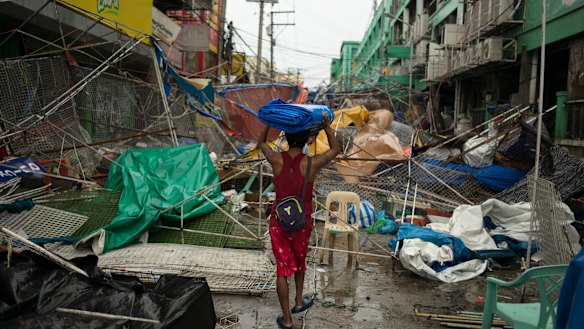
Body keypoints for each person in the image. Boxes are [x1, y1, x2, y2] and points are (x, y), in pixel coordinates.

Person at [257, 113, 340, 329]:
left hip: (279, 223)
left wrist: (269, 122)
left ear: (286, 138)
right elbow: (335, 149)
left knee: (282, 270)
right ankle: (298, 301)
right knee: (300, 262)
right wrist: (325, 126)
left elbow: (261, 143)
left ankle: (287, 319)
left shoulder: (276, 159)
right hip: (302, 223)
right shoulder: (312, 163)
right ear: (306, 140)